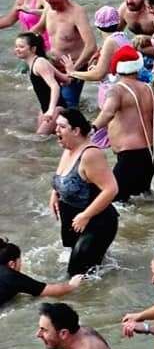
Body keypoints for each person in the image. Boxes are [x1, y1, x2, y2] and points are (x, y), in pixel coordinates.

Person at [49, 109, 119, 275]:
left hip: (96, 222)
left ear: (76, 130)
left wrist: (86, 215)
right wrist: (54, 194)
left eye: (61, 127)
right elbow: (60, 176)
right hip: (75, 221)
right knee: (87, 272)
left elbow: (111, 189)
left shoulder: (91, 154)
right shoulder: (68, 149)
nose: (56, 130)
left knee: (77, 275)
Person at [91, 45, 154, 201]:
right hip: (150, 154)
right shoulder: (148, 89)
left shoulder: (117, 90)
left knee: (112, 203)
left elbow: (107, 112)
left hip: (130, 159)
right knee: (142, 204)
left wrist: (91, 128)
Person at [31, 0, 96, 109]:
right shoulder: (49, 9)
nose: (49, 1)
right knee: (49, 105)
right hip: (53, 66)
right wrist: (23, 41)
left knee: (67, 108)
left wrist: (72, 71)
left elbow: (91, 46)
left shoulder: (77, 13)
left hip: (74, 67)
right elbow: (39, 28)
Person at [61, 5, 137, 117]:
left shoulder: (109, 42)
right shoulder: (123, 38)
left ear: (98, 27)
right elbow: (112, 68)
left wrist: (72, 72)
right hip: (125, 91)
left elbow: (98, 75)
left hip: (112, 94)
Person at [0, 239, 82, 306]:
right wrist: (72, 285)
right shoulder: (11, 276)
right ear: (12, 264)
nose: (21, 264)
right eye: (20, 261)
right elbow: (51, 291)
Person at [15, 32, 62, 135]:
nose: (17, 49)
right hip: (45, 108)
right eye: (16, 46)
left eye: (21, 47)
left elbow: (55, 86)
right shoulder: (38, 62)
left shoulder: (40, 63)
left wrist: (51, 110)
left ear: (33, 49)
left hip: (55, 108)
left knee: (39, 139)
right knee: (45, 140)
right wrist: (70, 72)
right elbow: (65, 79)